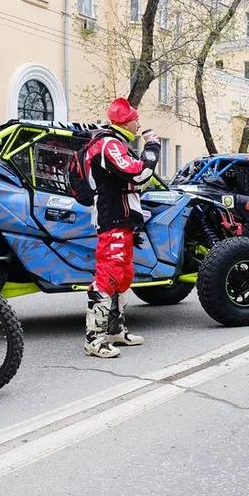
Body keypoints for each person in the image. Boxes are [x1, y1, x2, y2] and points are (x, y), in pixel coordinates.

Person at [83, 97, 161, 358]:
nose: (139, 124)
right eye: (136, 119)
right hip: (112, 218)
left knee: (123, 276)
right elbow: (137, 173)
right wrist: (152, 148)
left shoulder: (117, 143)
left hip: (123, 220)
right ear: (126, 121)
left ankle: (115, 330)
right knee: (106, 277)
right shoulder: (109, 144)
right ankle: (94, 340)